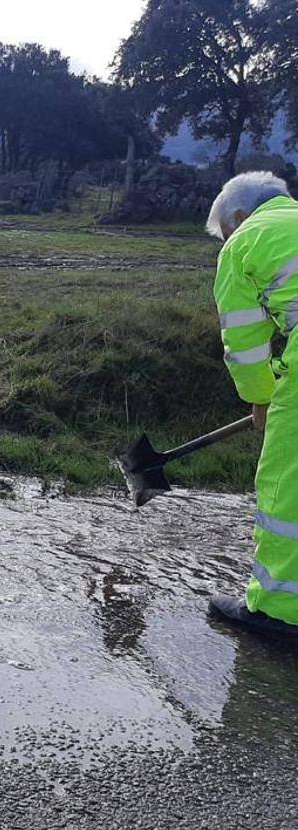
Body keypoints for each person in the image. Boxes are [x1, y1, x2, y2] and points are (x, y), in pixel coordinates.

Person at [205, 172, 298, 633]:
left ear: (239, 217)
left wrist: (262, 397)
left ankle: (279, 613)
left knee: (287, 492)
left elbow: (242, 343)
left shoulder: (246, 241)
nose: (227, 240)